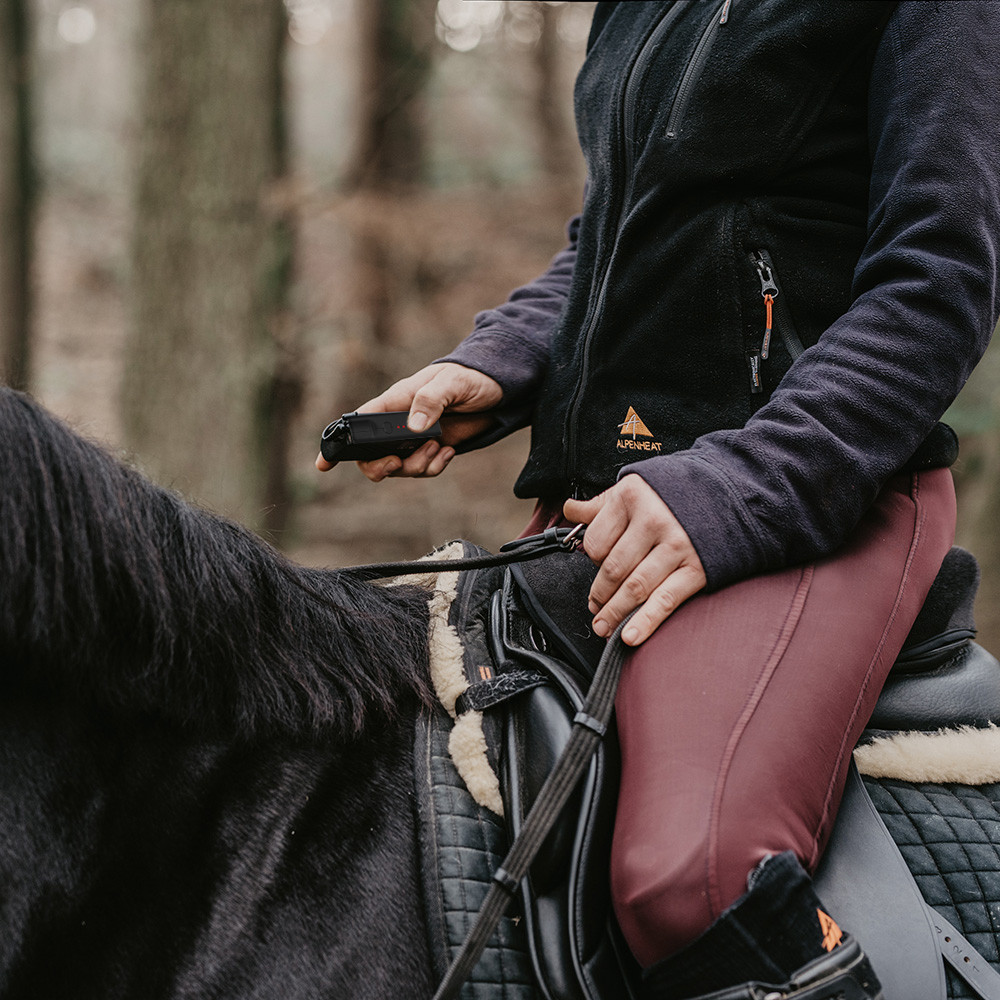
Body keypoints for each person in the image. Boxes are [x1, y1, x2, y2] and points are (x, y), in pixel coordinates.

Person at [318, 3, 1000, 998]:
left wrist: (732, 490)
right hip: (607, 512)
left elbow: (936, 283)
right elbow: (613, 239)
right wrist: (499, 362)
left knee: (690, 880)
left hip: (816, 497)